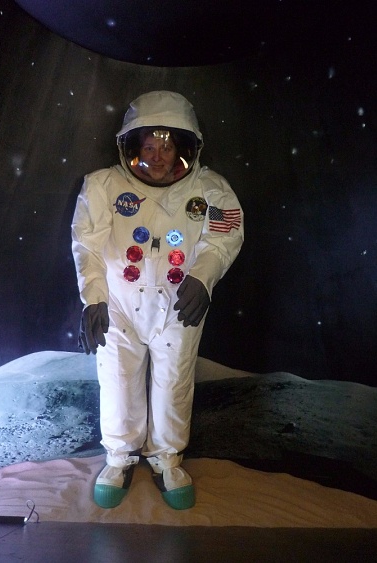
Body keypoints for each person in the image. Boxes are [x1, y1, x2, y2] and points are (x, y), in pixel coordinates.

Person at [71, 91, 244, 510]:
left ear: (185, 147)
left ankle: (168, 459)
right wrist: (94, 298)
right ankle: (119, 457)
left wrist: (203, 278)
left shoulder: (211, 190)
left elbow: (223, 238)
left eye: (167, 147)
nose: (158, 157)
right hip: (119, 306)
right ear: (132, 146)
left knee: (174, 383)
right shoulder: (103, 186)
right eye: (148, 147)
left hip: (179, 307)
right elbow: (87, 244)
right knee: (118, 380)